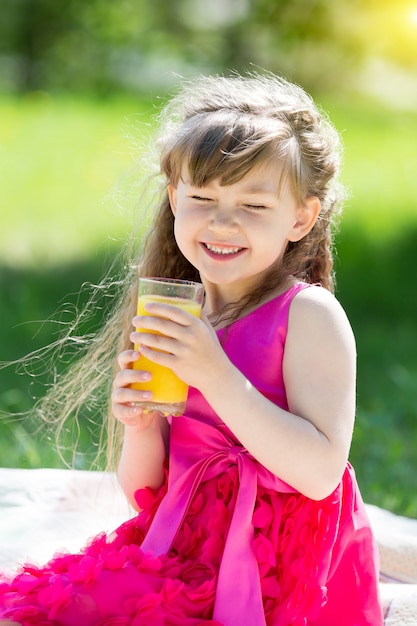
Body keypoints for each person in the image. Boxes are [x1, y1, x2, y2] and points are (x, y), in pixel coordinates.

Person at [0, 72, 383, 625]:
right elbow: (147, 493)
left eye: (253, 205)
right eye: (202, 197)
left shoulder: (307, 315)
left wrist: (218, 375)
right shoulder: (179, 313)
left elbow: (321, 474)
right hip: (184, 548)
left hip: (275, 569)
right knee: (46, 602)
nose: (223, 221)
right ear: (176, 198)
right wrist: (138, 426)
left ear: (301, 217)